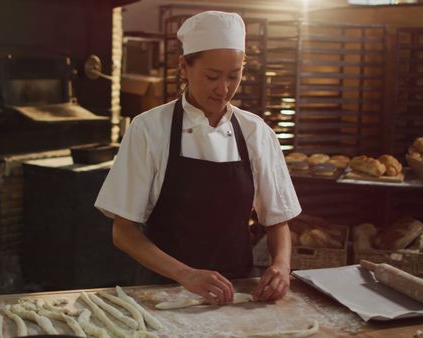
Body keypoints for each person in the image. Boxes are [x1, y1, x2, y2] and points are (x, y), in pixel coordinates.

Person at [95, 10, 301, 305]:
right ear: (183, 67)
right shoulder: (150, 129)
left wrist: (281, 266)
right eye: (212, 76)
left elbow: (277, 220)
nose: (224, 89)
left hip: (238, 292)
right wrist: (186, 274)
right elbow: (123, 232)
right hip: (164, 292)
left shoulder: (256, 132)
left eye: (234, 76)